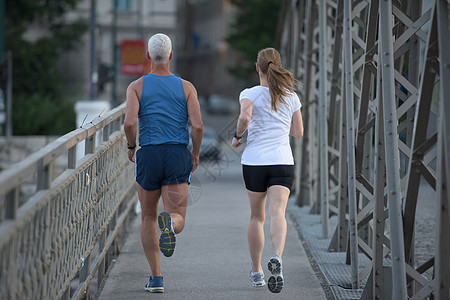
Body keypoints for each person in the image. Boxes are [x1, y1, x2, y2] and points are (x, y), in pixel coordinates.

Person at [124, 33, 203, 293]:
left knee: (148, 217)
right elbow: (198, 126)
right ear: (171, 55)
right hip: (177, 153)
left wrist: (131, 146)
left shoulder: (136, 86)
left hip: (149, 155)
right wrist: (195, 153)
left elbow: (129, 123)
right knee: (177, 215)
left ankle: (156, 278)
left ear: (148, 56)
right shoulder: (187, 87)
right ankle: (170, 224)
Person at [231, 48, 303, 293]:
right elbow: (298, 133)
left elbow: (244, 117)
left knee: (256, 217)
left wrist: (237, 136)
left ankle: (257, 272)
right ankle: (277, 256)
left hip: (254, 162)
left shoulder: (249, 93)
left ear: (257, 68)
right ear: (278, 66)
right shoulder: (290, 96)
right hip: (282, 161)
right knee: (278, 214)